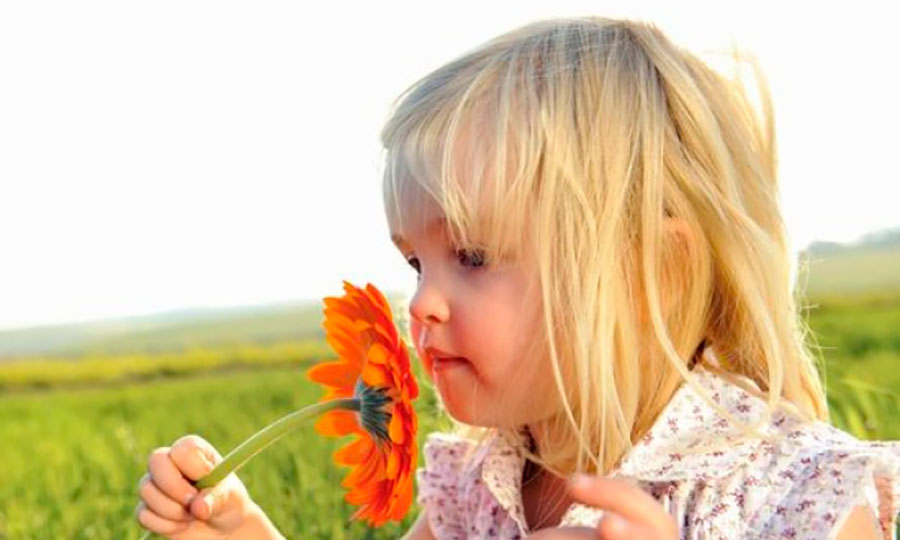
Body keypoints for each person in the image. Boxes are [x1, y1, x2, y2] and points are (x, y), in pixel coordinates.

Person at [135, 16, 900, 540]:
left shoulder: (787, 493)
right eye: (415, 264)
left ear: (652, 274)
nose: (422, 303)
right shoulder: (480, 483)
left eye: (472, 256)